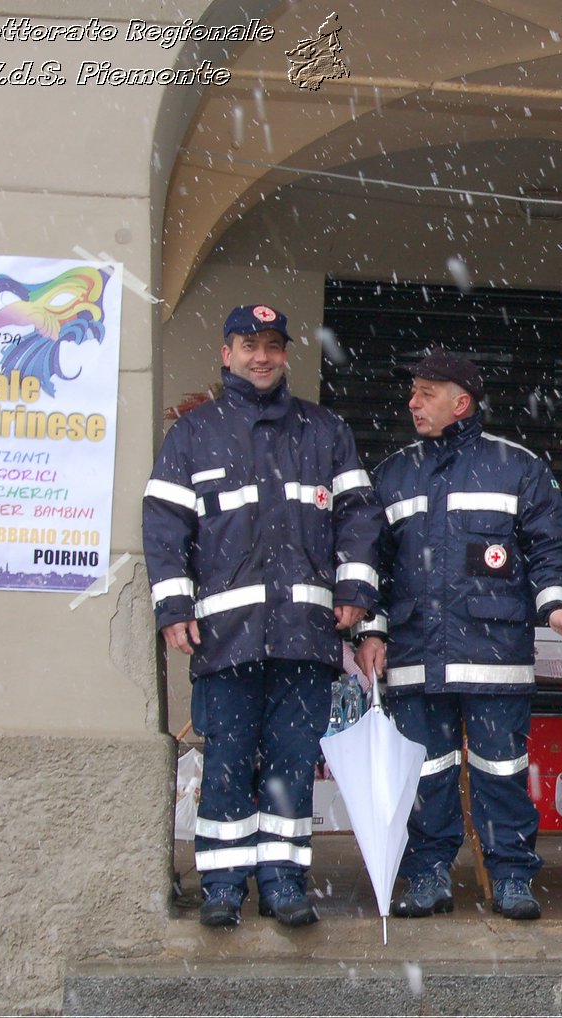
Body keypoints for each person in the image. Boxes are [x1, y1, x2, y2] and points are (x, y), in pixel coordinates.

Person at [143, 304, 382, 929]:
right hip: (225, 637)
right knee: (226, 758)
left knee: (291, 761)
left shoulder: (324, 432)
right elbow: (164, 528)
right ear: (226, 353)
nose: (261, 356)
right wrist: (172, 606)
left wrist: (356, 592)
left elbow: (360, 515)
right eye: (249, 344)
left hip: (304, 635)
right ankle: (222, 886)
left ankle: (283, 882)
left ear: (284, 354)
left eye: (273, 344)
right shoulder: (193, 435)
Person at [355, 348, 562, 921]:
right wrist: (371, 630)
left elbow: (551, 547)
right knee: (426, 773)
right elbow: (370, 562)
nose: (413, 402)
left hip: (494, 658)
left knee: (501, 773)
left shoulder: (517, 467)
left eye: (426, 392)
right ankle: (428, 874)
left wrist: (557, 608)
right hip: (417, 656)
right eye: (412, 392)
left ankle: (511, 876)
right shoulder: (393, 473)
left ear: (460, 402)